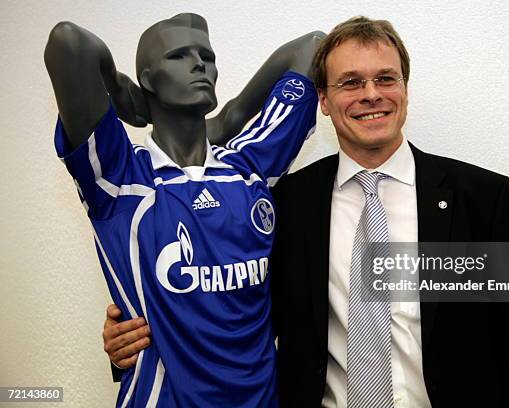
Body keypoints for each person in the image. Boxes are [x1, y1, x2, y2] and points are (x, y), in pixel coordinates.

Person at [103, 16, 509, 407]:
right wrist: (128, 343)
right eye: (350, 82)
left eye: (386, 78)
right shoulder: (288, 202)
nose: (371, 94)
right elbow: (235, 308)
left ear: (404, 89)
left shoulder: (481, 197)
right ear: (322, 100)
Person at [46, 13, 322, 407]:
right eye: (178, 55)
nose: (200, 65)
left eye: (206, 56)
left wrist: (231, 116)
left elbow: (312, 45)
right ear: (147, 78)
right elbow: (68, 43)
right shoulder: (121, 178)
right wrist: (125, 95)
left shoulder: (249, 167)